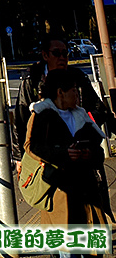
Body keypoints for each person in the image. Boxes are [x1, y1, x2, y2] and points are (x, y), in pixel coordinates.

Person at [24, 68, 112, 225]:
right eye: (74, 91)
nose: (77, 96)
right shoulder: (42, 115)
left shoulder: (81, 114)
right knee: (68, 243)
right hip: (60, 192)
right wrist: (63, 153)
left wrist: (89, 153)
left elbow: (98, 150)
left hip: (87, 191)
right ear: (60, 92)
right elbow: (31, 146)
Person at [12, 35, 115, 168]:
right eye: (56, 53)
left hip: (81, 156)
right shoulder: (32, 80)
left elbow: (100, 110)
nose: (62, 57)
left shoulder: (78, 77)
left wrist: (84, 124)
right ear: (45, 55)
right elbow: (20, 119)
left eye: (65, 53)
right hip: (47, 158)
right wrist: (18, 157)